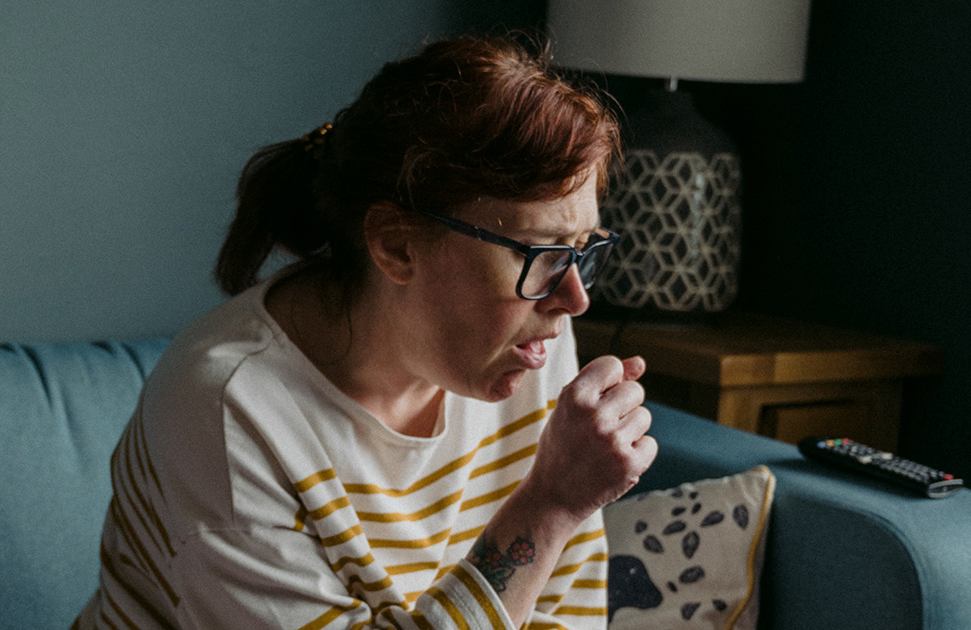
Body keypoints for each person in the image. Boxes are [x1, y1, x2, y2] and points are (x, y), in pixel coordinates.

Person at [73, 35, 656, 630]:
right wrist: (550, 506)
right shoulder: (228, 411)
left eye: (580, 250)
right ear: (397, 245)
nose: (574, 299)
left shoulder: (530, 341)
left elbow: (564, 614)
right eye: (541, 252)